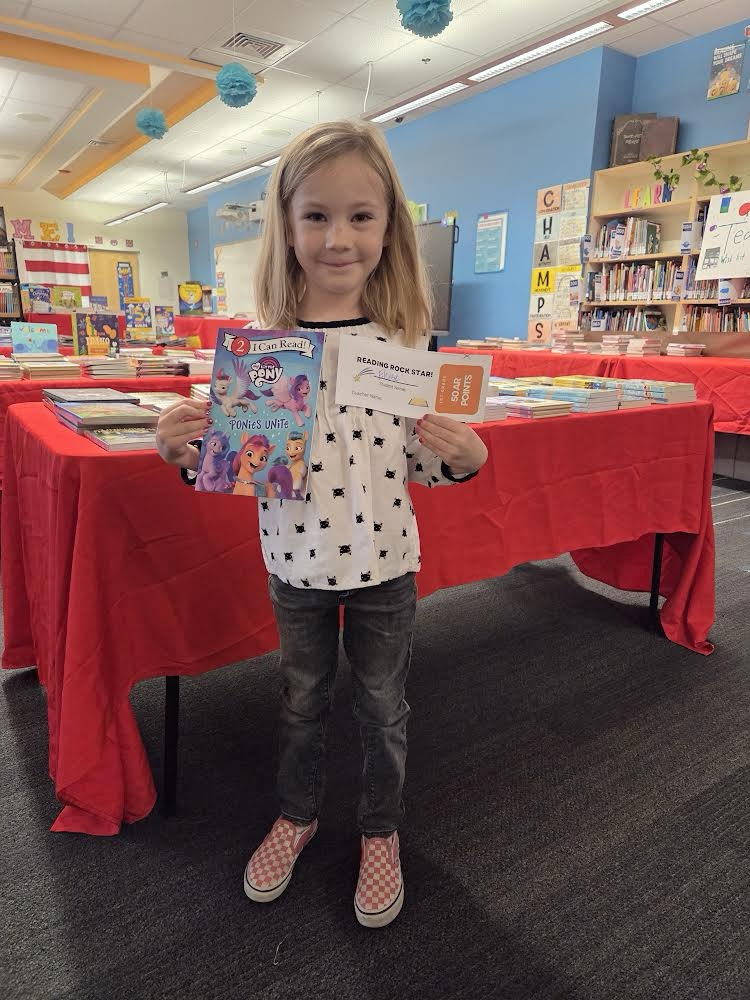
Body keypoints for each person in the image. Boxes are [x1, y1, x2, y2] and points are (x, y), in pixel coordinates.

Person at [155, 120, 488, 929]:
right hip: (295, 562)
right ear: (287, 223)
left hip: (387, 563)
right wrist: (180, 448)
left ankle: (381, 831)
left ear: (388, 227)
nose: (339, 238)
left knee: (383, 705)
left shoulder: (407, 343)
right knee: (302, 701)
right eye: (316, 216)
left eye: (361, 216)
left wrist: (466, 455)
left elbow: (418, 464)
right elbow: (238, 466)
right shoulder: (262, 347)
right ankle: (296, 815)